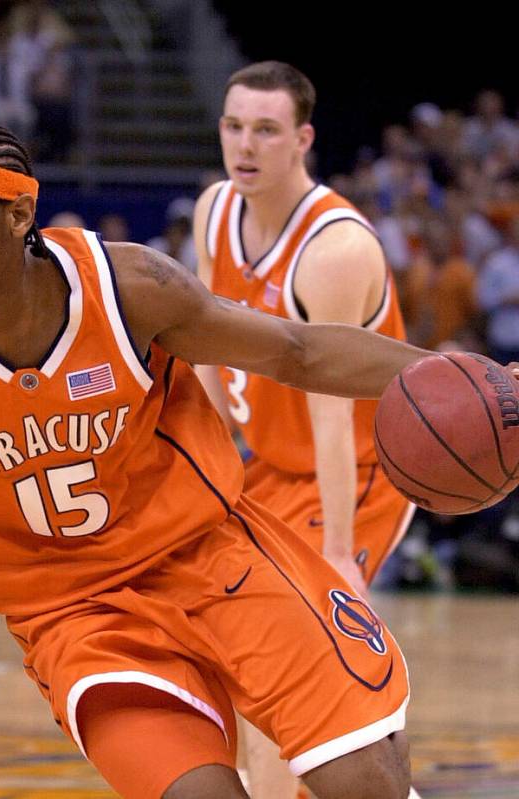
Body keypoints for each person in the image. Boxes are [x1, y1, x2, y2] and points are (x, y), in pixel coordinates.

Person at [0, 118, 430, 799]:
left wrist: (452, 374)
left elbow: (295, 348)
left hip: (209, 553)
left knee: (361, 777)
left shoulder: (129, 287)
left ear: (19, 214)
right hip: (74, 613)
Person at [192, 62, 415, 798]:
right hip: (270, 466)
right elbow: (203, 353)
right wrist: (204, 479)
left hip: (358, 470)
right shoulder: (214, 211)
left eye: (266, 129)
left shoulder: (335, 249)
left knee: (283, 660)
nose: (244, 144)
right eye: (233, 126)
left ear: (303, 139)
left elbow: (332, 412)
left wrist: (337, 555)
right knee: (227, 656)